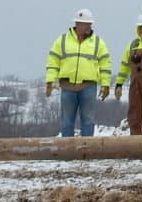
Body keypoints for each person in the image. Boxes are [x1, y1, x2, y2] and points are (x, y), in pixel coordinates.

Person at [45, 8, 112, 138]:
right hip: (67, 87)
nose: (89, 26)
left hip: (88, 87)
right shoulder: (62, 40)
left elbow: (105, 64)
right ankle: (67, 152)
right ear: (77, 24)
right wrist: (49, 81)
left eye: (90, 24)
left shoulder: (98, 42)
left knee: (88, 120)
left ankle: (86, 152)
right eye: (86, 24)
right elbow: (53, 61)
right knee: (66, 122)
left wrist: (106, 85)